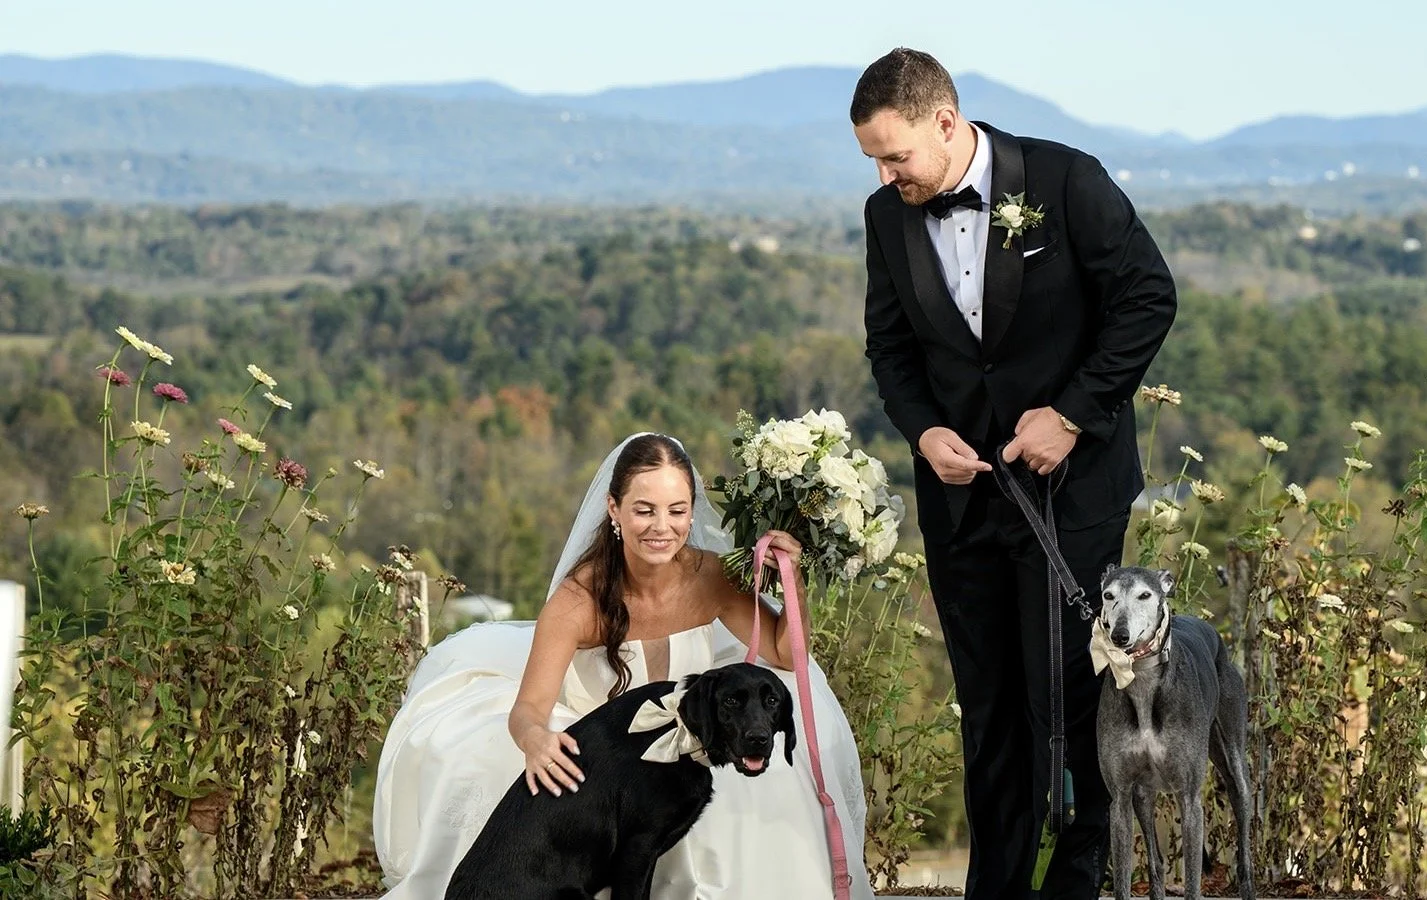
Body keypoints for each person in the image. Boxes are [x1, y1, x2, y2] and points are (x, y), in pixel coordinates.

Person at [851, 48, 1179, 900]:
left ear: (946, 123)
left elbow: (1148, 296)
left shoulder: (1067, 182)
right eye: (875, 163)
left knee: (1071, 703)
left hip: (1071, 499)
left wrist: (1070, 414)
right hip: (960, 508)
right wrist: (923, 433)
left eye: (897, 156)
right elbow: (890, 348)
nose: (888, 177)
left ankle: (1074, 887)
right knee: (990, 712)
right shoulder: (886, 217)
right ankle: (994, 890)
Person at [373, 432, 874, 899]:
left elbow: (789, 653)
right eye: (644, 510)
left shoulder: (714, 577)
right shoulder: (578, 599)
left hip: (694, 728)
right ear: (614, 509)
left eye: (677, 511)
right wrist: (534, 739)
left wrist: (795, 581)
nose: (662, 527)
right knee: (507, 771)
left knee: (761, 784)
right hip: (602, 730)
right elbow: (529, 709)